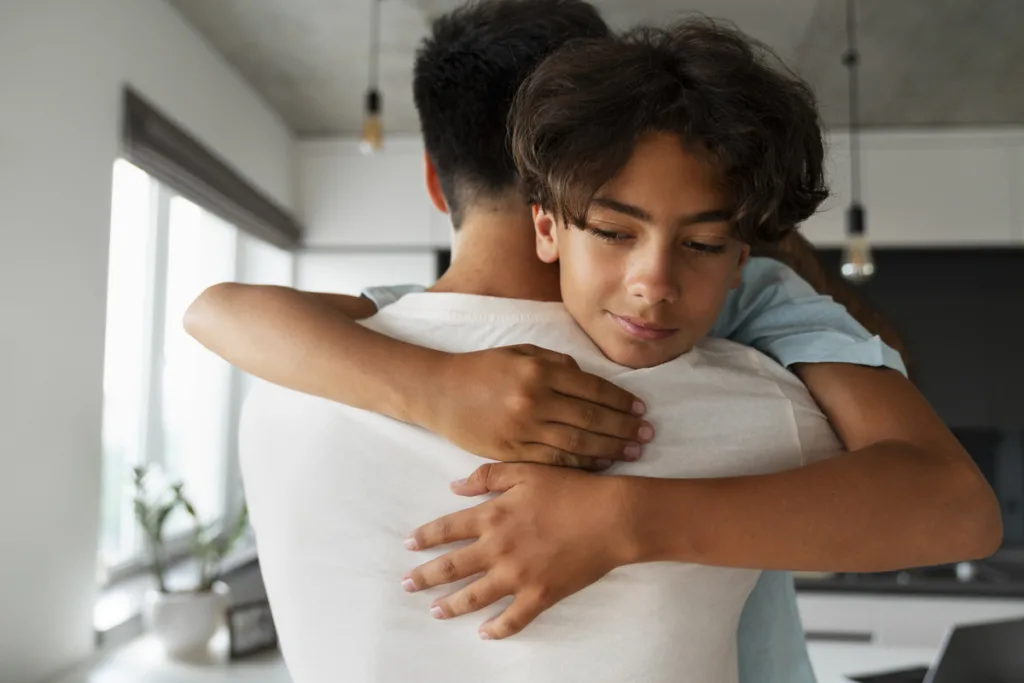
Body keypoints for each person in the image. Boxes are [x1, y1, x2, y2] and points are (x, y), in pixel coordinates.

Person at [187, 2, 1001, 681]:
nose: (653, 282)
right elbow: (218, 308)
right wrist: (435, 387)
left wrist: (622, 517)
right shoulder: (396, 334)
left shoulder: (751, 304)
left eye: (705, 242)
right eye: (613, 227)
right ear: (553, 203)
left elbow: (946, 498)